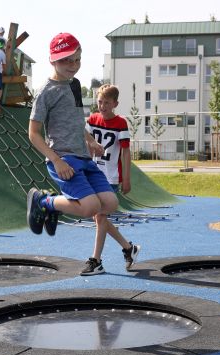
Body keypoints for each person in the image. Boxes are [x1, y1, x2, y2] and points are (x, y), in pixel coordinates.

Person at [26, 33, 139, 273]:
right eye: (66, 60)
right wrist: (56, 161)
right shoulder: (45, 92)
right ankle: (43, 201)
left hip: (84, 157)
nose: (73, 66)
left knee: (109, 202)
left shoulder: (75, 85)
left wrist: (90, 140)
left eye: (76, 60)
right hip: (63, 158)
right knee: (89, 207)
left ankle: (120, 249)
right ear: (52, 61)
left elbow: (78, 122)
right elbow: (33, 134)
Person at [82, 84, 140, 275]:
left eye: (107, 102)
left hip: (111, 176)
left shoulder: (121, 123)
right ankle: (127, 247)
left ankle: (96, 260)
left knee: (100, 217)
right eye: (100, 101)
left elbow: (125, 152)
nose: (102, 105)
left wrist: (126, 179)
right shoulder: (92, 119)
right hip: (93, 173)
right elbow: (85, 139)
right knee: (98, 218)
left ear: (115, 103)